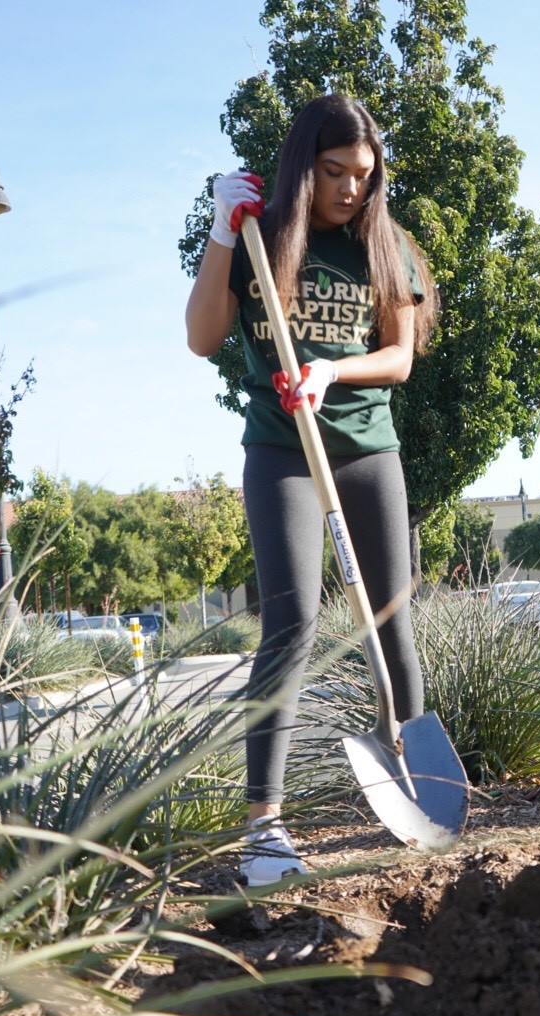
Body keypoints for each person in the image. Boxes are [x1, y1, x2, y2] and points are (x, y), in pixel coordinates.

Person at [186, 94, 438, 885]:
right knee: (290, 623)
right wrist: (223, 231)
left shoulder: (384, 245)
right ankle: (264, 827)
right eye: (334, 172)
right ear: (306, 166)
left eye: (364, 175)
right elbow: (202, 337)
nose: (350, 189)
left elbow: (398, 358)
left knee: (390, 617)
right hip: (281, 452)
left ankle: (424, 791)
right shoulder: (260, 237)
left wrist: (332, 367)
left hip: (366, 449)